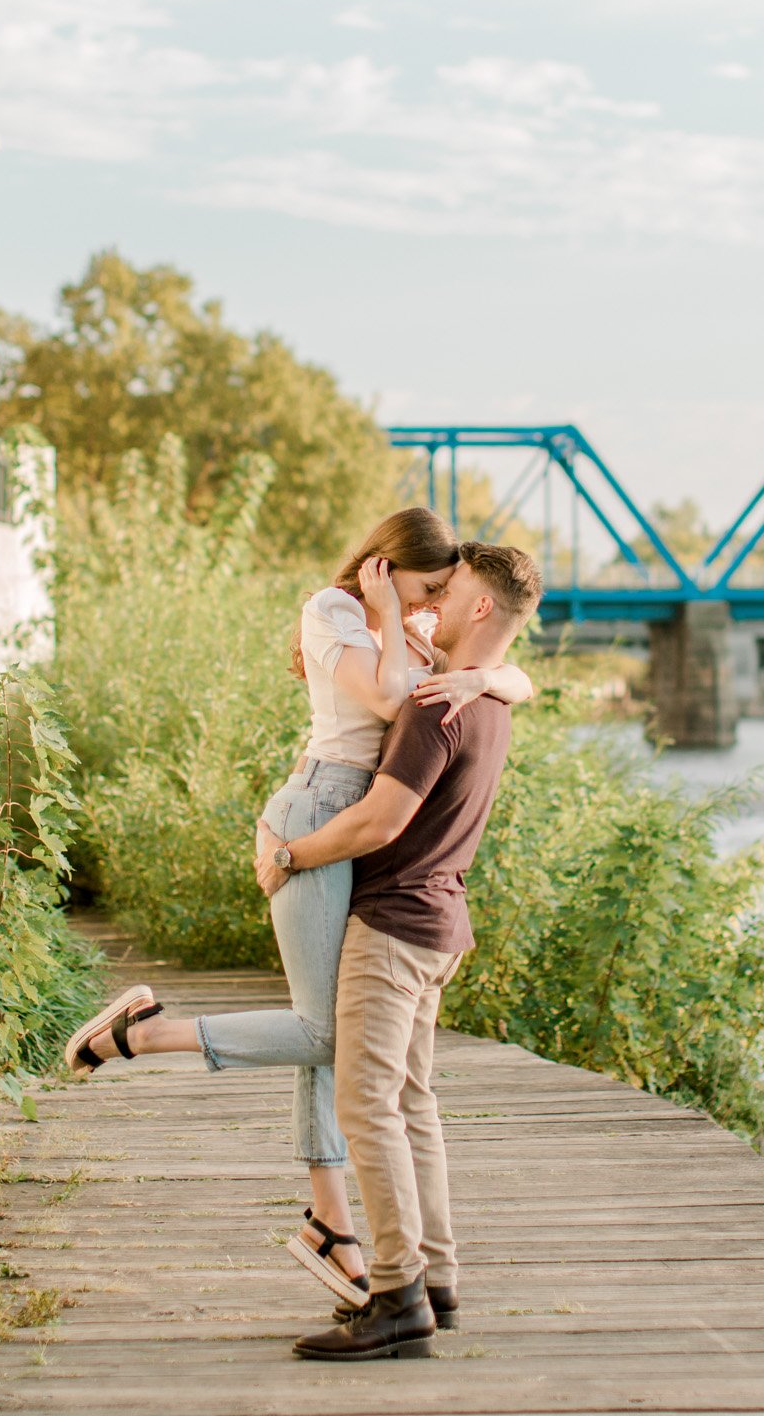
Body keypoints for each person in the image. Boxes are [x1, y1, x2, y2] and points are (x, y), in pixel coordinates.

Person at [63, 509, 534, 1307]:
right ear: (387, 570)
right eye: (426, 589)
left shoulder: (424, 646)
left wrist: (485, 675)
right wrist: (404, 629)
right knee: (329, 1032)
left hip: (349, 822)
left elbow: (511, 674)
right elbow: (394, 708)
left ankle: (332, 1222)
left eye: (442, 595)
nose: (429, 607)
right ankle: (143, 1040)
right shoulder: (340, 611)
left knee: (336, 1032)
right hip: (323, 817)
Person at [254, 540, 543, 1361]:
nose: (433, 607)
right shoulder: (489, 702)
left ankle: (394, 1294)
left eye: (448, 594)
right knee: (410, 1101)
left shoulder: (431, 703)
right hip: (440, 923)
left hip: (391, 923)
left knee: (366, 1104)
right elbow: (506, 676)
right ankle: (435, 1280)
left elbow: (380, 822)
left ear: (479, 609)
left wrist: (287, 857)